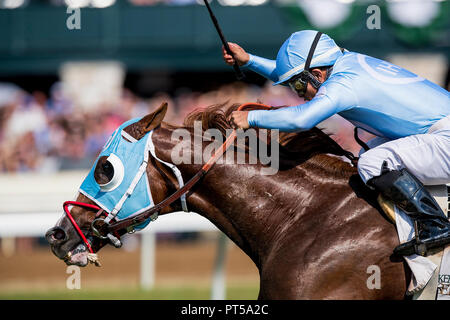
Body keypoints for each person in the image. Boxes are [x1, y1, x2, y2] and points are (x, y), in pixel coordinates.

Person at [223, 30, 450, 257]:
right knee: (370, 150)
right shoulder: (345, 61)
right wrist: (249, 61)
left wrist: (251, 118)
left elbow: (301, 118)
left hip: (444, 137)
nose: (299, 95)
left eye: (299, 87)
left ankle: (437, 225)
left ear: (318, 74)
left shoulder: (344, 83)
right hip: (440, 133)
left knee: (372, 162)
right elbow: (295, 73)